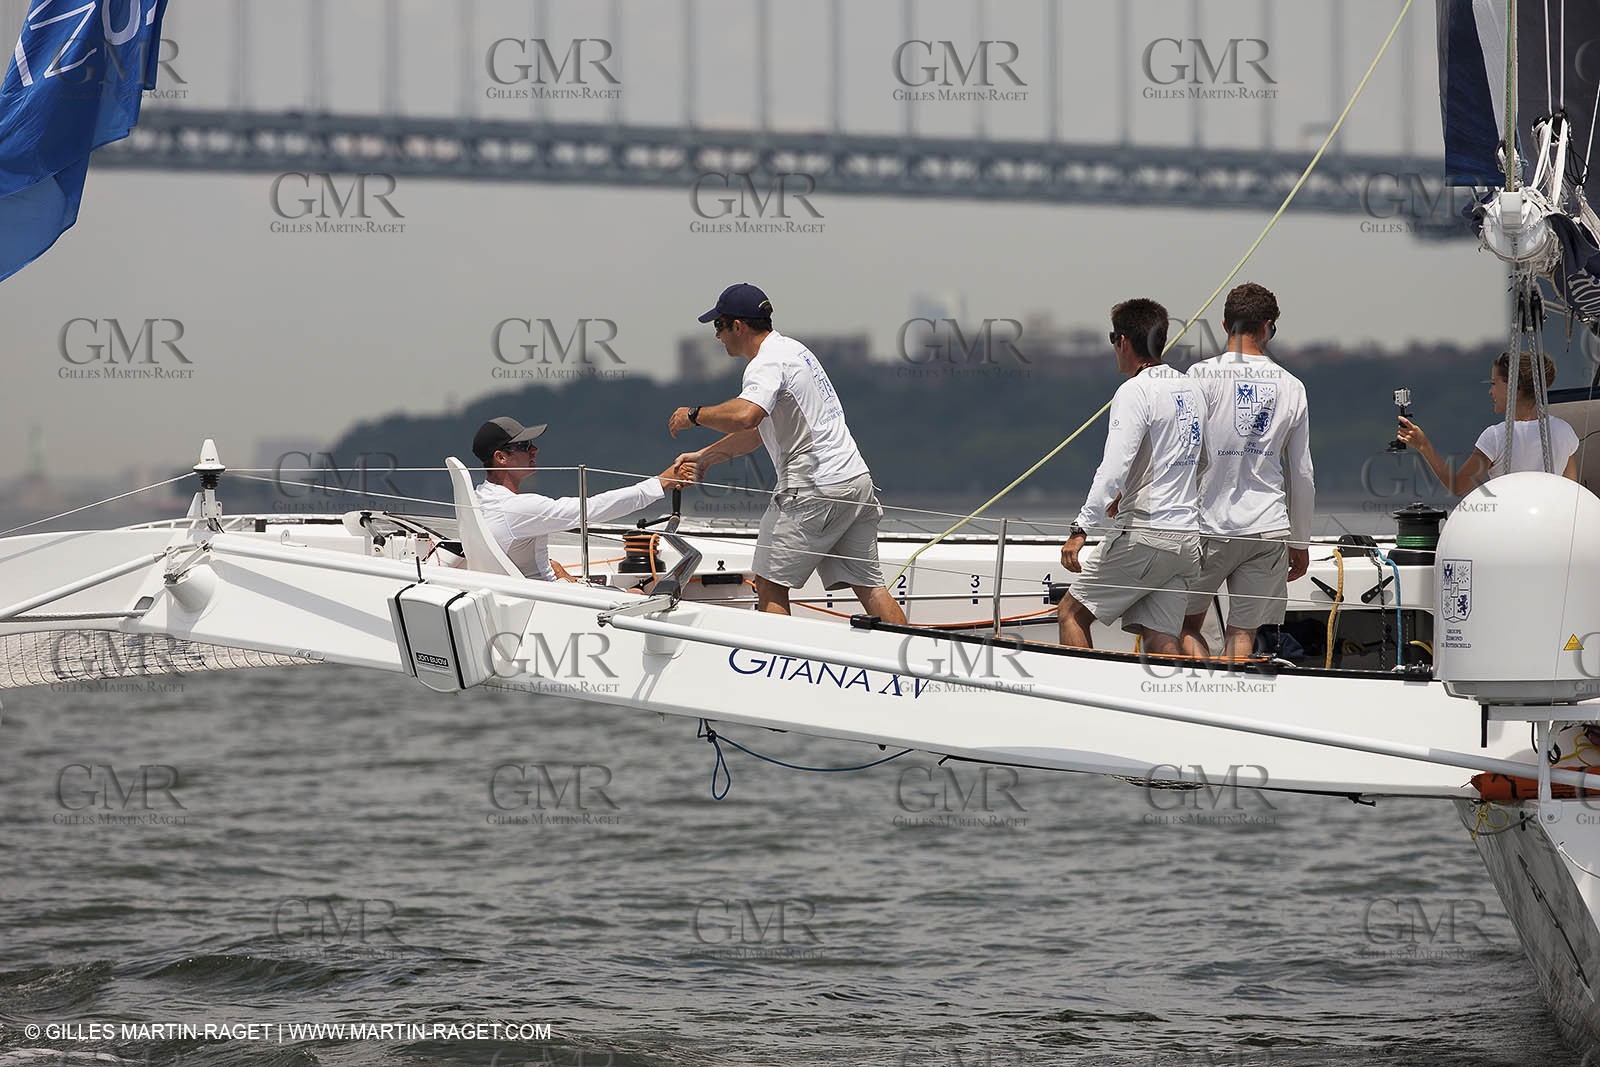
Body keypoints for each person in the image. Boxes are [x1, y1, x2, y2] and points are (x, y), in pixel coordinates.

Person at [667, 282, 907, 623]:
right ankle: (916, 666)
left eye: (718, 326)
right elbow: (757, 431)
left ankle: (774, 668)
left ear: (738, 326)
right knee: (869, 585)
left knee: (769, 583)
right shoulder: (795, 350)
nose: (717, 336)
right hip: (853, 481)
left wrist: (693, 415)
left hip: (813, 488)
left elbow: (745, 415)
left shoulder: (765, 364)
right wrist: (706, 457)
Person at [1059, 298, 1205, 654]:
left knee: (1071, 614)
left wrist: (1080, 530)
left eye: (1113, 339)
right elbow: (1199, 461)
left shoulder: (1134, 391)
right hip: (1187, 539)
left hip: (1147, 535)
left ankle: (1086, 707)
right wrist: (1132, 490)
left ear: (1123, 341)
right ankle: (1187, 704)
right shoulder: (1191, 388)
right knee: (1162, 635)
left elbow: (1112, 469)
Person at [1178, 283, 1315, 663]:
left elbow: (1182, 453)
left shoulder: (1199, 376)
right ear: (1268, 327)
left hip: (1209, 525)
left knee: (1184, 626)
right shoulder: (1292, 386)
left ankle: (1204, 702)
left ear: (1225, 324)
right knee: (1243, 633)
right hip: (1267, 527)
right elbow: (1302, 473)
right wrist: (1300, 543)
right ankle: (1231, 701)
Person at [471, 416, 686, 580]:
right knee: (639, 594)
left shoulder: (479, 497)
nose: (534, 450)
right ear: (500, 458)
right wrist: (661, 483)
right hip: (543, 601)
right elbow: (592, 509)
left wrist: (550, 565)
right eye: (524, 446)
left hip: (525, 593)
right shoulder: (517, 508)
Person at [1396, 351, 1580, 491]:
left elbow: (1458, 486)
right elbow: (1570, 490)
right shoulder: (1565, 432)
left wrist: (1423, 446)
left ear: (1514, 388)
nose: (1490, 391)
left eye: (1494, 383)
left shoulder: (1496, 436)